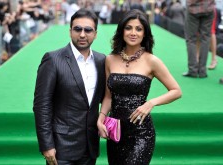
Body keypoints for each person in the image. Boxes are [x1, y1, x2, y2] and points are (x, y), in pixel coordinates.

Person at [97, 9, 182, 165]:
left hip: (141, 132)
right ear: (122, 31)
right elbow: (109, 96)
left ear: (145, 34)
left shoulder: (152, 61)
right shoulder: (110, 59)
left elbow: (176, 91)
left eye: (139, 29)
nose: (133, 32)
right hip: (116, 131)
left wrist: (150, 103)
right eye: (128, 28)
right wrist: (101, 119)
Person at [33, 8, 106, 165]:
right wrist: (47, 145)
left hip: (90, 146)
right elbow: (42, 106)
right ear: (70, 31)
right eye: (77, 29)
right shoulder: (53, 59)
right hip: (62, 148)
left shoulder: (101, 61)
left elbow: (103, 99)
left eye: (88, 30)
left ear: (95, 34)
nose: (82, 34)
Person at [182, 0, 215, 78]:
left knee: (191, 39)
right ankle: (202, 71)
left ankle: (192, 70)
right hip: (208, 7)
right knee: (205, 39)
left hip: (193, 8)